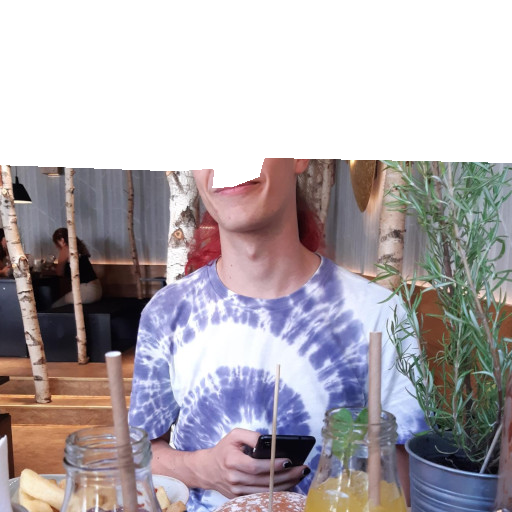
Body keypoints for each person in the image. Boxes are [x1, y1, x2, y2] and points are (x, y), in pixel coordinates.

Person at [128, 161, 426, 512]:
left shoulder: (381, 315)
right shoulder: (167, 313)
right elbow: (136, 455)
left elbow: (408, 481)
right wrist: (203, 469)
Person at [51, 227, 102, 308]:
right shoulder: (78, 248)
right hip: (97, 290)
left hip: (86, 290)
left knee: (55, 306)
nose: (57, 246)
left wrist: (50, 269)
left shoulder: (66, 248)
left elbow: (59, 272)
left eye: (57, 242)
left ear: (62, 240)